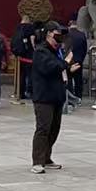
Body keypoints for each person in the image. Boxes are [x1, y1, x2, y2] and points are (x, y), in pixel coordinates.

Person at [26, 23, 67, 173]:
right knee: (43, 128)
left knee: (54, 129)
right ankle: (37, 161)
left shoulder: (57, 51)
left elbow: (60, 68)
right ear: (49, 33)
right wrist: (65, 63)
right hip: (43, 96)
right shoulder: (41, 51)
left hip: (57, 95)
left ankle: (46, 158)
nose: (59, 36)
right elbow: (50, 68)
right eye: (57, 33)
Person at [12, 19, 38, 103]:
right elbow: (32, 39)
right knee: (30, 74)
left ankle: (20, 92)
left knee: (21, 74)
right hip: (28, 54)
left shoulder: (18, 28)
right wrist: (34, 49)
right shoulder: (30, 27)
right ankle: (30, 91)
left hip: (19, 54)